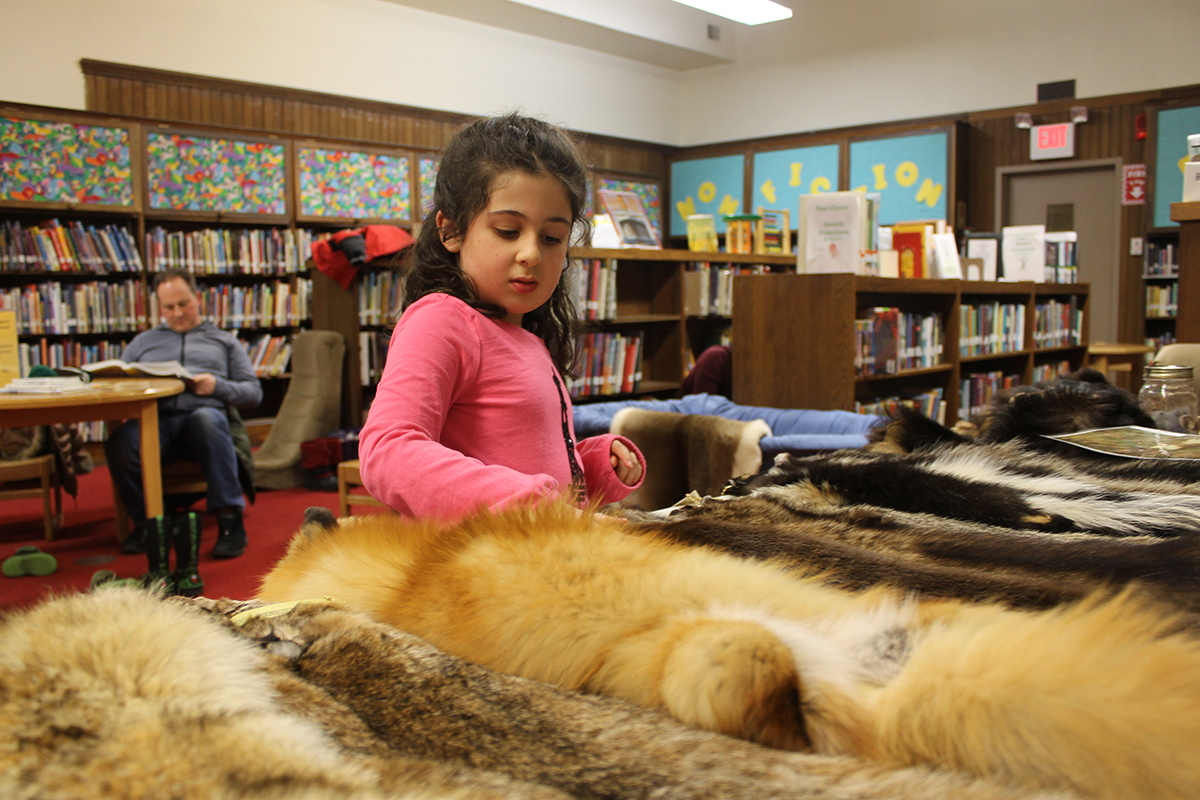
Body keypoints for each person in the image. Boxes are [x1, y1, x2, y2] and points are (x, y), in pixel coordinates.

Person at [358, 113, 644, 521]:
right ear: (451, 230)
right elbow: (387, 449)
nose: (531, 253)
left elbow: (522, 468)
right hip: (480, 570)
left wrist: (591, 464)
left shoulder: (526, 335)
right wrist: (532, 506)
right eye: (508, 231)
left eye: (551, 238)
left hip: (538, 557)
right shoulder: (440, 320)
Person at [105, 267, 262, 561]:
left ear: (197, 298)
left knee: (208, 420)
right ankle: (148, 522)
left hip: (203, 420)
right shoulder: (143, 343)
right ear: (159, 307)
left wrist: (217, 386)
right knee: (119, 445)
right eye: (169, 307)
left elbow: (253, 393)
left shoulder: (224, 340)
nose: (177, 313)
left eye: (183, 304)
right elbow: (118, 381)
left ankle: (230, 520)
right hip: (156, 421)